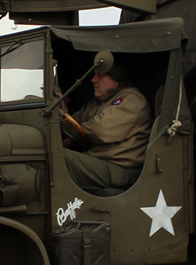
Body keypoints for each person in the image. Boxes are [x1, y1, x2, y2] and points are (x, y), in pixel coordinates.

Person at [62, 59, 151, 193]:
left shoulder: (131, 100)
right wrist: (59, 108)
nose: (93, 79)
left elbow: (100, 130)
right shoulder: (96, 104)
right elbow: (70, 126)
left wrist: (72, 140)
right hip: (101, 163)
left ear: (116, 81)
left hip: (121, 169)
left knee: (55, 156)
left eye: (100, 75)